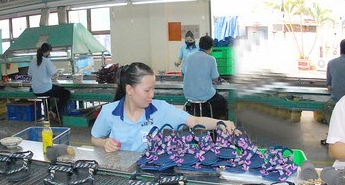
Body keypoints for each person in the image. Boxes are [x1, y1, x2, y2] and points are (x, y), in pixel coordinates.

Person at [91, 62, 236, 153]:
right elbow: (95, 138)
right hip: (120, 174)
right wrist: (105, 143)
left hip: (151, 173)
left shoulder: (161, 109)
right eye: (147, 90)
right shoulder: (109, 112)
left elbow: (194, 120)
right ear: (129, 90)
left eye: (153, 89)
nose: (152, 95)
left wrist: (219, 123)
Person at [182, 35, 228, 119]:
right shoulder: (211, 59)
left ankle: (199, 119)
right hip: (204, 95)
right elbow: (215, 78)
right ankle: (214, 127)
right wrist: (219, 81)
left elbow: (184, 72)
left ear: (199, 45)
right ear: (211, 47)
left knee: (205, 104)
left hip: (188, 94)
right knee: (222, 101)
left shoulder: (189, 56)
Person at [28, 43, 71, 119]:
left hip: (36, 90)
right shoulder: (46, 61)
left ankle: (47, 113)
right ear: (47, 52)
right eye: (49, 52)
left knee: (53, 89)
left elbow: (30, 74)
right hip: (46, 90)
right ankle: (53, 112)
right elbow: (54, 73)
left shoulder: (33, 61)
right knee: (66, 93)